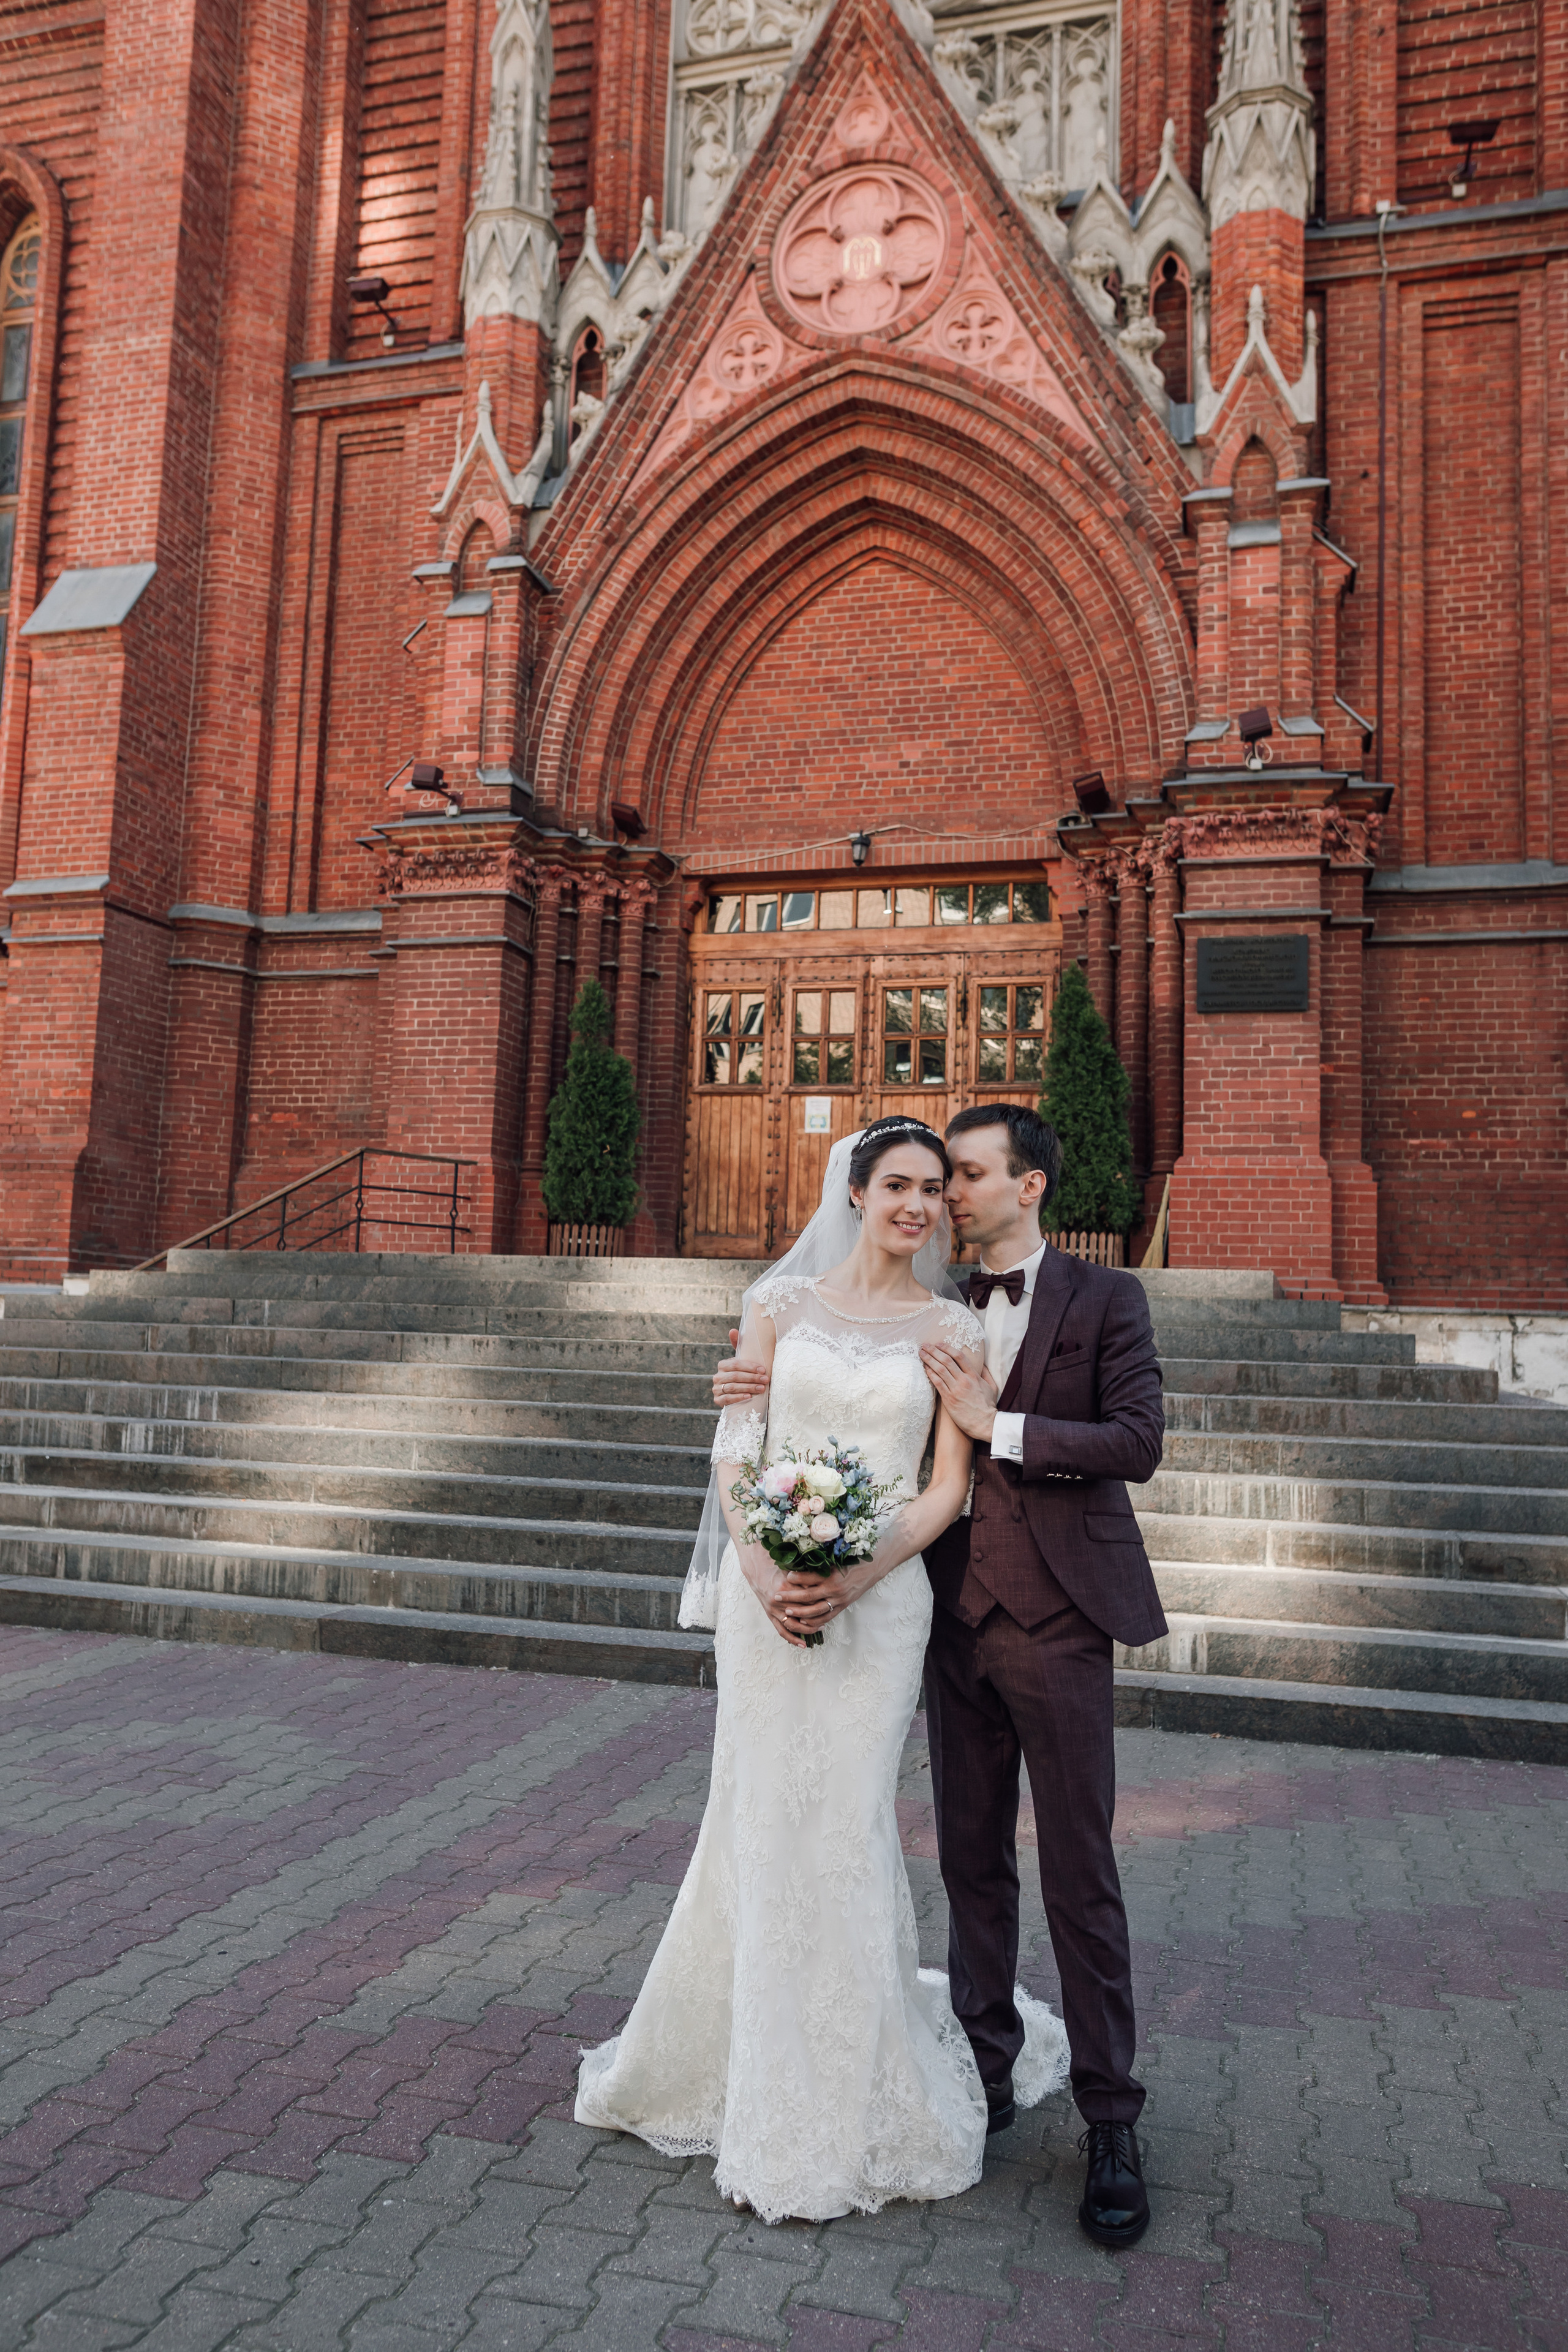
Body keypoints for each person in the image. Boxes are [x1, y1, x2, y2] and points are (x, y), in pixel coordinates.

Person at [575, 1118, 1069, 2222]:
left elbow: (947, 1489)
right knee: (753, 1817)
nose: (918, 1206)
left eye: (933, 1189)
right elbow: (736, 1449)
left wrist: (852, 1578)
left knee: (843, 1824)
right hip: (767, 1601)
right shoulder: (777, 1305)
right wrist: (762, 1572)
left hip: (881, 1604)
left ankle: (847, 2080)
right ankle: (731, 2061)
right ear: (855, 1192)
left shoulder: (951, 1326)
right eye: (897, 1185)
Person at [712, 1102, 1166, 2249]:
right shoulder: (936, 1304)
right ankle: (984, 2066)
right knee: (969, 1863)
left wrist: (998, 1425)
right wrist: (750, 1402)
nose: (945, 1197)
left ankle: (1112, 2120)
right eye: (927, 1180)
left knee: (1079, 1871)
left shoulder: (1105, 1299)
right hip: (951, 1621)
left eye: (963, 1176)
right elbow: (835, 1435)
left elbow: (1137, 1442)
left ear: (1029, 1185)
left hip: (1059, 1620)